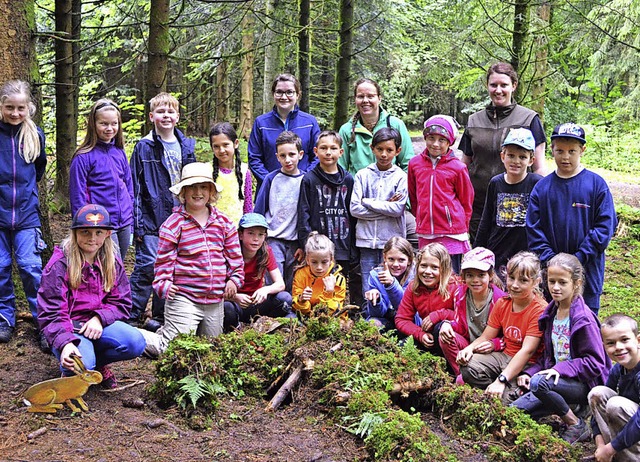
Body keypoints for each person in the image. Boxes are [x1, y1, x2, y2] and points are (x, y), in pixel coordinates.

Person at [139, 163, 244, 357]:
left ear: (211, 191)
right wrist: (164, 284)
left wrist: (233, 280)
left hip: (214, 299)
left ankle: (164, 330)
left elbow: (236, 260)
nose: (198, 192)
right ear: (183, 192)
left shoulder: (224, 223)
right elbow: (162, 264)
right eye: (192, 187)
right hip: (184, 297)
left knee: (209, 354)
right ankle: (133, 336)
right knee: (173, 351)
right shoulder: (173, 225)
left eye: (203, 187)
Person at [36, 204, 146, 389]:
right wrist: (66, 344)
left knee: (136, 343)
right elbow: (51, 312)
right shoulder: (60, 264)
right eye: (85, 232)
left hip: (97, 326)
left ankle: (98, 364)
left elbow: (122, 302)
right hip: (68, 327)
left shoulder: (111, 261)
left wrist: (99, 318)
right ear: (75, 233)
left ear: (108, 234)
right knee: (82, 364)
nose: (92, 238)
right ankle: (76, 365)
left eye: (98, 232)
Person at [512, 253, 609, 444]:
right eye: (551, 281)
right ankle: (559, 412)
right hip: (556, 384)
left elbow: (595, 363)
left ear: (576, 283)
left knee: (539, 384)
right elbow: (551, 356)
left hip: (583, 386)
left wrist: (558, 370)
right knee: (514, 411)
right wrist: (530, 372)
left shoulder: (583, 319)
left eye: (562, 282)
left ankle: (576, 423)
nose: (555, 287)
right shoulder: (552, 313)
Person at [527, 123, 617, 314]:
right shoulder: (542, 188)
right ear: (551, 149)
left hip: (587, 273)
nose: (565, 157)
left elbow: (605, 227)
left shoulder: (596, 185)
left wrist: (579, 257)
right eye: (560, 150)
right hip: (551, 277)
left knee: (586, 322)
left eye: (571, 151)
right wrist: (551, 261)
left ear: (582, 150)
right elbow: (534, 229)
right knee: (552, 322)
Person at [128, 92, 196, 330]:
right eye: (160, 112)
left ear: (177, 116)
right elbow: (135, 188)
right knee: (148, 265)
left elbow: (194, 182)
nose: (165, 116)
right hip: (151, 218)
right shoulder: (144, 147)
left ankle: (158, 316)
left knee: (170, 267)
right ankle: (131, 313)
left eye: (170, 112)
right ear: (151, 116)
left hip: (181, 217)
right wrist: (137, 224)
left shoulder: (186, 146)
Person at [460, 62, 546, 237]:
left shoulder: (529, 119)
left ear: (513, 86)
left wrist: (544, 201)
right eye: (493, 85)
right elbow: (464, 165)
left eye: (504, 85)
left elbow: (539, 167)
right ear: (487, 86)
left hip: (517, 205)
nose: (498, 90)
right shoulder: (474, 121)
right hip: (478, 206)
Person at [457, 251, 546, 403]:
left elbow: (527, 351)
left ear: (536, 282)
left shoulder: (539, 309)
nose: (515, 285)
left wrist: (501, 380)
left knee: (505, 401)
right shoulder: (503, 303)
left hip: (527, 364)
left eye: (523, 280)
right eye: (511, 278)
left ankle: (507, 390)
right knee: (468, 366)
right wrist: (469, 349)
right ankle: (492, 390)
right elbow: (486, 336)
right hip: (503, 356)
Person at [0, 80, 47, 347]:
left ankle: (44, 322)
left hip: (27, 215)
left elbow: (38, 170)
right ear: (2, 107)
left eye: (20, 108)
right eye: (9, 108)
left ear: (28, 108)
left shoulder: (35, 135)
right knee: (1, 267)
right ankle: (5, 318)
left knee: (31, 268)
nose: (15, 113)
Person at [298, 130, 359, 305]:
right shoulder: (309, 179)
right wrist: (305, 242)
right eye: (323, 148)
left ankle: (340, 315)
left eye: (333, 148)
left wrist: (353, 247)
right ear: (315, 151)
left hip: (343, 244)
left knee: (339, 284)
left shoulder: (348, 179)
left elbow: (353, 214)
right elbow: (304, 212)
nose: (328, 152)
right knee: (316, 281)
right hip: (319, 247)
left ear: (341, 152)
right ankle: (313, 314)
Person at [69, 98, 133, 262]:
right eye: (104, 124)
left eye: (114, 124)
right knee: (107, 266)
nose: (109, 128)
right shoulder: (83, 157)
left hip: (124, 221)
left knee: (118, 267)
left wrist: (131, 217)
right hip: (100, 224)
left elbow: (128, 187)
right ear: (93, 124)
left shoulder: (119, 152)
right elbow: (78, 197)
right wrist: (86, 227)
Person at [408, 115, 474, 273]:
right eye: (431, 138)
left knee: (451, 276)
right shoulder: (415, 164)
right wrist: (422, 216)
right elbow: (413, 196)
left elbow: (466, 200)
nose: (435, 144)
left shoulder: (458, 168)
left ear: (449, 142)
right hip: (426, 231)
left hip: (452, 232)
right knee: (429, 274)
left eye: (441, 140)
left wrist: (461, 226)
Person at [474, 128, 543, 279]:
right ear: (502, 156)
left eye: (522, 157)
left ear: (531, 160)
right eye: (511, 155)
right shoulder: (496, 183)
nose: (516, 161)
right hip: (498, 252)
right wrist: (478, 251)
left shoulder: (537, 184)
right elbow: (486, 220)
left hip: (526, 256)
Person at [350, 127, 408, 296]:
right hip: (366, 241)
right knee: (369, 285)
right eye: (380, 149)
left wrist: (368, 202)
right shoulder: (362, 175)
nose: (384, 154)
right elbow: (355, 209)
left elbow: (397, 210)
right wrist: (385, 206)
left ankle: (394, 317)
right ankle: (371, 318)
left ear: (397, 151)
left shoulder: (401, 177)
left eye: (389, 150)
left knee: (392, 283)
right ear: (372, 148)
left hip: (392, 243)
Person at [437, 247, 506, 378]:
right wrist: (448, 324)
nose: (475, 280)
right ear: (463, 276)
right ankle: (461, 374)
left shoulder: (500, 300)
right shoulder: (460, 294)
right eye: (470, 275)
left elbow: (508, 337)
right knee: (445, 336)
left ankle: (473, 376)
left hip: (489, 348)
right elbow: (461, 327)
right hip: (468, 343)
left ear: (490, 275)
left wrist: (494, 344)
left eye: (481, 275)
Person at [248, 73, 320, 192]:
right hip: (270, 190)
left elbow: (317, 156)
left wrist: (304, 179)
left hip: (303, 189)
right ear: (273, 94)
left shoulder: (310, 122)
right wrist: (271, 181)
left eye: (289, 92)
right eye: (279, 92)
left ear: (298, 95)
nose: (284, 96)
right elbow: (254, 158)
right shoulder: (261, 123)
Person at [223, 213, 293, 331]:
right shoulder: (229, 254)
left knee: (285, 298)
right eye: (251, 233)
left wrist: (265, 290)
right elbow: (216, 290)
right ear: (240, 235)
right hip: (236, 303)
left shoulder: (266, 252)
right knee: (226, 308)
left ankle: (268, 325)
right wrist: (235, 297)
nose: (256, 239)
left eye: (261, 235)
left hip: (256, 302)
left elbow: (280, 284)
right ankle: (235, 328)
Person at [254, 131, 305, 292]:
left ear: (300, 154)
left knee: (293, 282)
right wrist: (259, 236)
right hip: (273, 239)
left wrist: (304, 243)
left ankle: (290, 314)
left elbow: (307, 214)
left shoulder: (306, 180)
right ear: (277, 157)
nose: (288, 159)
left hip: (295, 241)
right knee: (274, 282)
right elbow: (260, 210)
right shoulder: (270, 179)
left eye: (292, 154)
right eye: (283, 156)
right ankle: (272, 313)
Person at [589, 314, 640, 462]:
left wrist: (611, 448)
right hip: (629, 434)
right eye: (610, 343)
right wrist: (600, 445)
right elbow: (595, 411)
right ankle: (610, 455)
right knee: (597, 393)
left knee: (616, 405)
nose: (618, 347)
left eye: (624, 340)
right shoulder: (618, 369)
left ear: (638, 340)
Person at [338, 78, 413, 175]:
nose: (365, 100)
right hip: (357, 188)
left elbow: (408, 164)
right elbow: (340, 168)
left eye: (370, 96)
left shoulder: (395, 125)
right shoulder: (346, 130)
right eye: (360, 96)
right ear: (355, 99)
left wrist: (401, 187)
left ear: (379, 98)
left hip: (391, 188)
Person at [395, 243, 456, 351]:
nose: (427, 272)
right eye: (423, 266)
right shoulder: (413, 287)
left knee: (440, 327)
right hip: (427, 335)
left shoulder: (455, 287)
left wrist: (439, 315)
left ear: (444, 269)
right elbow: (402, 319)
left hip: (451, 337)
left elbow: (463, 317)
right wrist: (420, 334)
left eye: (434, 267)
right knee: (399, 347)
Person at [363, 236, 415, 330]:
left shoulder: (415, 277)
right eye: (391, 259)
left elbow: (405, 309)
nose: (395, 264)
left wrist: (392, 284)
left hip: (409, 321)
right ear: (384, 257)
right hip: (386, 319)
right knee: (372, 323)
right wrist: (376, 300)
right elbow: (376, 314)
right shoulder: (376, 275)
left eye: (401, 260)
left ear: (409, 260)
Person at [292, 232, 346, 318]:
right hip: (307, 318)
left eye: (324, 262)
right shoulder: (301, 275)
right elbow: (297, 308)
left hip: (332, 320)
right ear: (307, 260)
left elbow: (334, 312)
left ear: (331, 259)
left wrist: (329, 293)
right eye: (314, 262)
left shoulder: (338, 279)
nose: (319, 267)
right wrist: (301, 300)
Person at [210, 122, 254, 224]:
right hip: (212, 232)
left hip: (236, 232)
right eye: (216, 146)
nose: (221, 150)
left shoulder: (244, 171)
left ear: (236, 143)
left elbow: (248, 206)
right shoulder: (207, 171)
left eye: (226, 145)